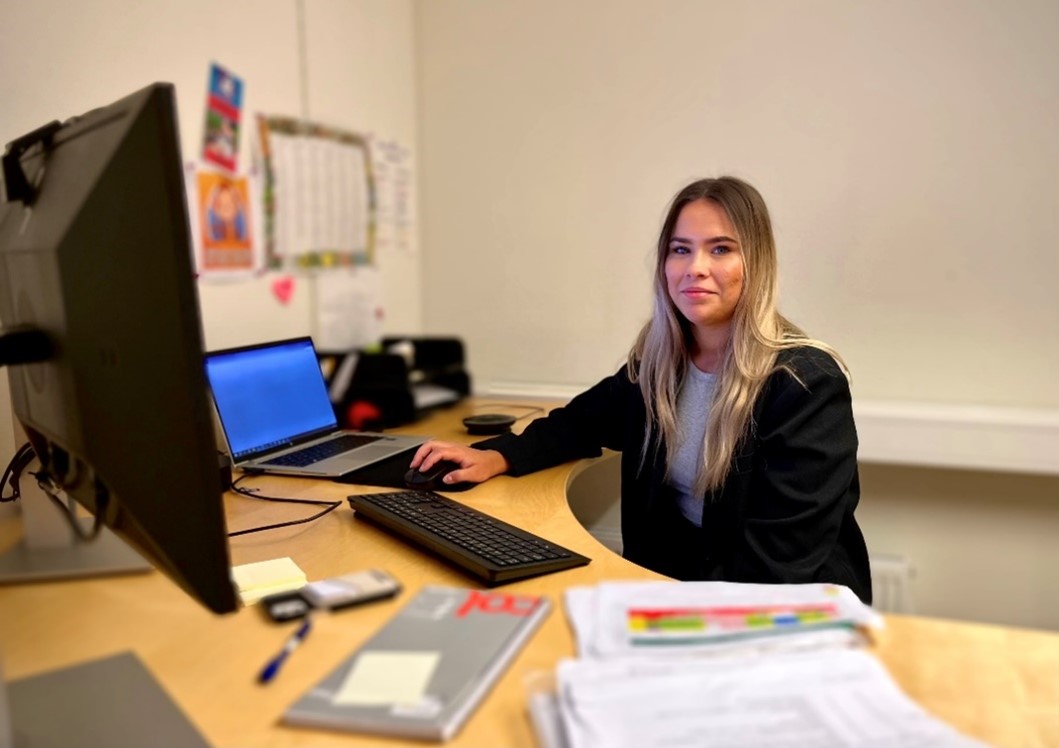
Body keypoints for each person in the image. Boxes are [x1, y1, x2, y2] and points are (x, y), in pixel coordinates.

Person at [410, 176, 872, 603]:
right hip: (683, 583)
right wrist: (498, 455)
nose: (695, 268)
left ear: (757, 262)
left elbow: (777, 565)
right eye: (680, 249)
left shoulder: (806, 383)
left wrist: (661, 613)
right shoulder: (659, 363)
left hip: (784, 605)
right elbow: (582, 422)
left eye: (721, 249)